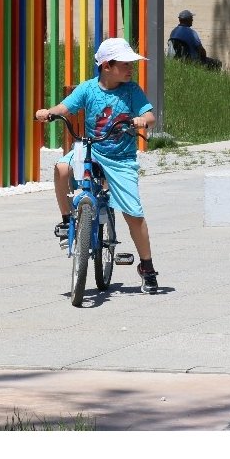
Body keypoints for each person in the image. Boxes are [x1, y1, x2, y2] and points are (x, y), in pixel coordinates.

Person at [35, 38, 162, 290]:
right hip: (90, 149)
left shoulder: (131, 90)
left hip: (121, 158)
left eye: (130, 63)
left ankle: (147, 266)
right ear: (106, 66)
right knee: (62, 167)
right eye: (124, 64)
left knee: (133, 213)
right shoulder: (88, 89)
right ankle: (64, 220)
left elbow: (150, 116)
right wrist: (49, 112)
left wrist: (141, 120)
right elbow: (65, 107)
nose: (130, 68)